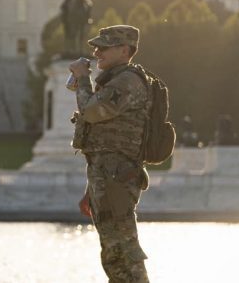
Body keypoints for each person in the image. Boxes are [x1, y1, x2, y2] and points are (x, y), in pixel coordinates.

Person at [69, 25, 151, 283]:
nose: (97, 51)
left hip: (117, 176)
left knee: (124, 251)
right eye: (97, 46)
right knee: (113, 252)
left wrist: (82, 78)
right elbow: (102, 142)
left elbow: (91, 112)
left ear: (125, 50)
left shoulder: (127, 82)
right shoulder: (116, 80)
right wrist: (90, 190)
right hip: (107, 175)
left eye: (104, 47)